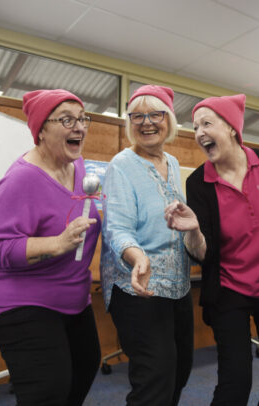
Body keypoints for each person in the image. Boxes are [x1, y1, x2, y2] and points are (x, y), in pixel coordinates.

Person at [163, 94, 259, 406]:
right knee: (236, 381)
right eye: (195, 126)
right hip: (229, 290)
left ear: (231, 129)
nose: (199, 132)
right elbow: (202, 253)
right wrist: (195, 230)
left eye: (207, 124)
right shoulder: (199, 182)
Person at [0, 89, 101, 406]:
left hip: (73, 299)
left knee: (84, 369)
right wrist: (56, 243)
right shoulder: (21, 179)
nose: (80, 127)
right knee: (48, 390)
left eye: (82, 118)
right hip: (22, 301)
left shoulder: (80, 168)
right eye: (67, 119)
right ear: (41, 129)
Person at [100, 85, 193, 406]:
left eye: (156, 114)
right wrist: (137, 256)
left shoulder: (174, 162)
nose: (147, 122)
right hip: (137, 288)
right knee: (155, 379)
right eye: (137, 116)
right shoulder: (121, 165)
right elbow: (116, 227)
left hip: (178, 288)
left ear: (169, 120)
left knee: (180, 371)